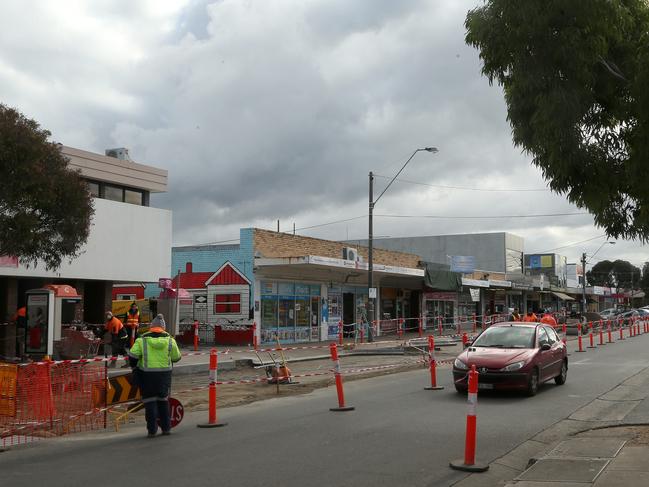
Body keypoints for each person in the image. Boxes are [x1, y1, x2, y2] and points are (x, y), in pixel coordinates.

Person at [128, 314, 181, 437]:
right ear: (163, 328)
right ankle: (166, 428)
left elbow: (132, 356)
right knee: (163, 401)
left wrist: (135, 367)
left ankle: (152, 430)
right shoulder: (170, 340)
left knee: (150, 402)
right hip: (164, 376)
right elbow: (176, 358)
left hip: (146, 376)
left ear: (151, 327)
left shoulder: (141, 340)